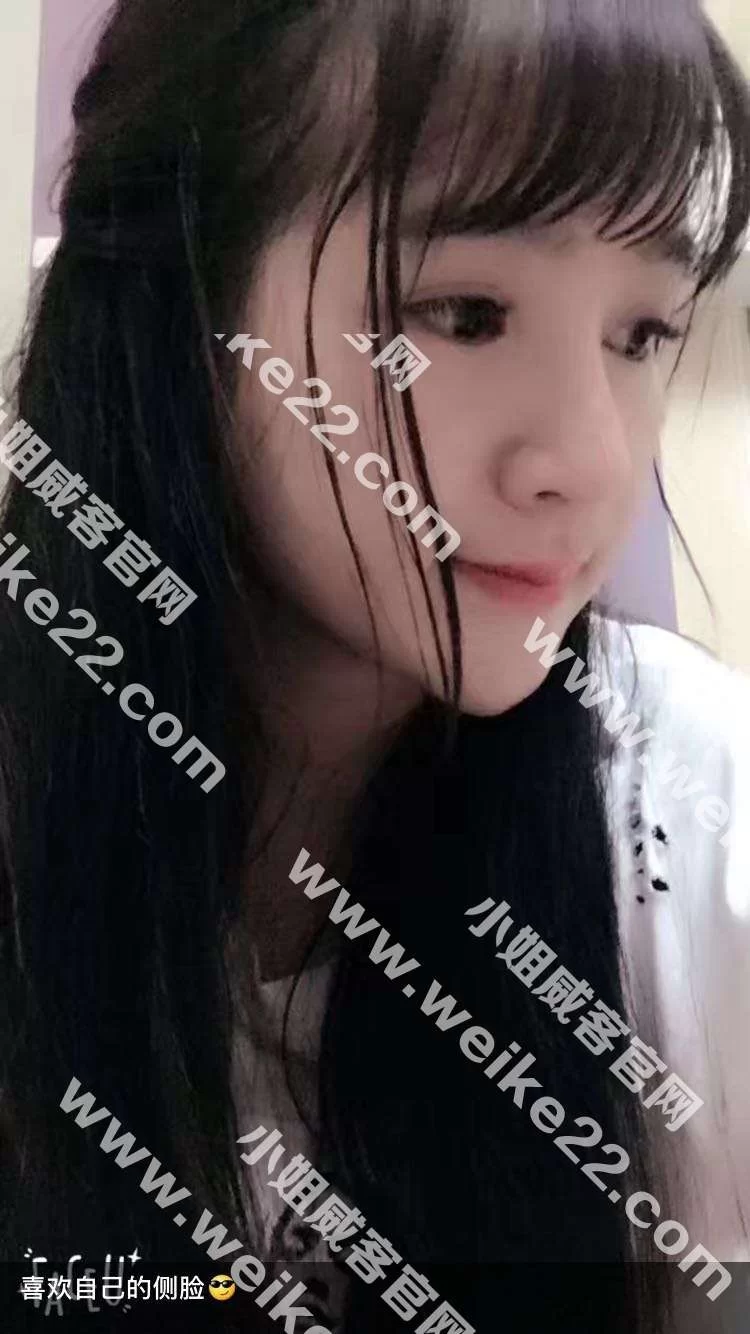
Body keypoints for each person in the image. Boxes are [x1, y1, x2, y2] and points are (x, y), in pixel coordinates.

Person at [1, 1, 750, 1331]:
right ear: (181, 303)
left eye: (642, 333)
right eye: (465, 313)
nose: (589, 462)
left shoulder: (691, 802)